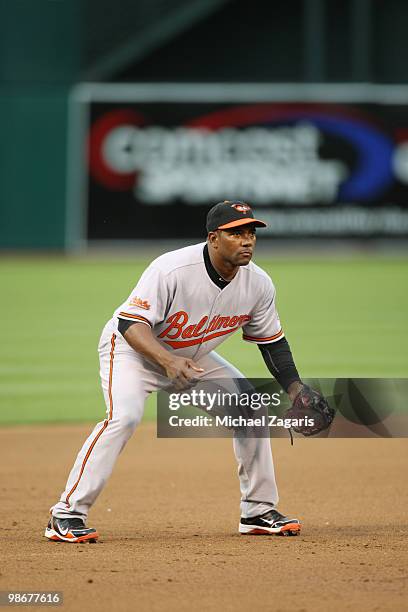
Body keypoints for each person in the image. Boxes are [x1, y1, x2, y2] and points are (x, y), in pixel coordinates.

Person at [45, 200, 304, 543]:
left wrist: (297, 390)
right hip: (132, 351)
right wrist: (167, 361)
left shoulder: (258, 284)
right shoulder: (172, 269)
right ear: (213, 238)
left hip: (187, 359)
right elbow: (129, 323)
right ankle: (66, 513)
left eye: (251, 233)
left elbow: (272, 342)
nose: (247, 241)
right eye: (236, 233)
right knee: (124, 417)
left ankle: (257, 511)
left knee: (250, 406)